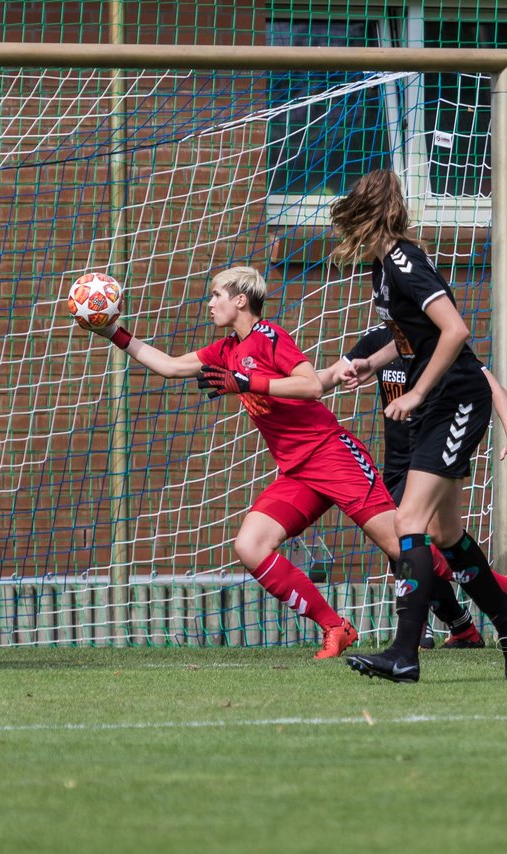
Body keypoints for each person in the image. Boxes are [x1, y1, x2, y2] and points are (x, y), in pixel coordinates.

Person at [82, 265, 448, 661]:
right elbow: (169, 366)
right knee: (251, 545)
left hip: (332, 455)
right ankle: (335, 627)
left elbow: (310, 385)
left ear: (240, 300)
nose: (209, 304)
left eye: (216, 295)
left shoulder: (269, 337)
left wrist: (247, 383)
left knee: (401, 545)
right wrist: (112, 333)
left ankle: (498, 597)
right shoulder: (225, 349)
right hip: (296, 472)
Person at [327, 169, 507, 683]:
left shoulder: (402, 259)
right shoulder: (383, 269)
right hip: (437, 406)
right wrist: (369, 367)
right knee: (444, 532)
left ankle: (404, 653)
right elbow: (409, 339)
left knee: (408, 524)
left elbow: (455, 329)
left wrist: (417, 392)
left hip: (456, 400)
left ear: (363, 216)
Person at [319, 324, 507, 649]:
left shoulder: (433, 338)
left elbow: (493, 388)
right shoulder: (378, 339)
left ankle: (430, 626)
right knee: (404, 548)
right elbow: (336, 372)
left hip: (430, 457)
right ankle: (468, 623)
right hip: (396, 464)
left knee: (408, 542)